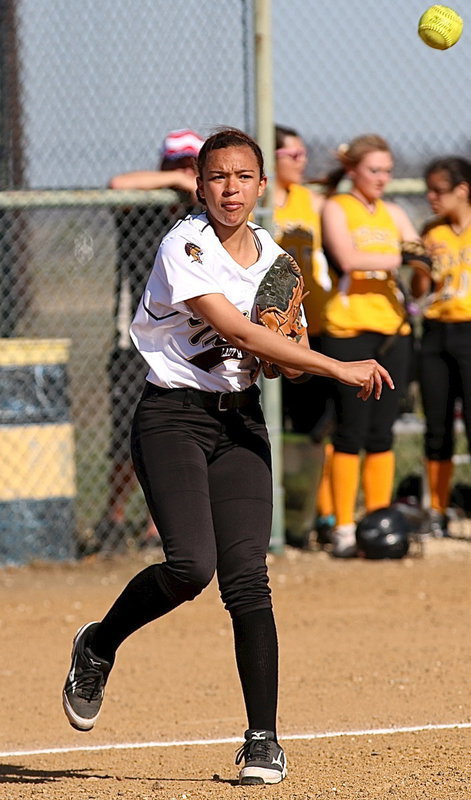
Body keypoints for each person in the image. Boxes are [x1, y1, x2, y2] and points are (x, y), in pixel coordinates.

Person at [62, 128, 393, 785]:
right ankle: (98, 644)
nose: (230, 189)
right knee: (191, 567)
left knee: (246, 577)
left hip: (239, 420)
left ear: (262, 186)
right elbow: (235, 328)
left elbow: (280, 353)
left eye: (243, 177)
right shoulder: (184, 245)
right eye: (216, 177)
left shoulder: (276, 259)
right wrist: (334, 366)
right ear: (199, 187)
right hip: (172, 418)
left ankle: (262, 739)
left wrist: (291, 357)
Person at [93, 129, 204, 552]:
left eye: (191, 165)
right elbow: (117, 184)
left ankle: (158, 527)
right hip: (134, 338)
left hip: (184, 341)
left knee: (174, 433)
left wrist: (191, 189)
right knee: (127, 431)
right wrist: (172, 181)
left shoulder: (200, 214)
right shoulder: (141, 204)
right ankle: (115, 516)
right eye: (176, 164)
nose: (184, 172)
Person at [321, 134, 422, 557]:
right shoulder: (336, 207)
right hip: (349, 331)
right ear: (353, 170)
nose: (383, 178)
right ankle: (343, 526)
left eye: (387, 170)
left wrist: (424, 258)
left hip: (393, 332)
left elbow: (419, 250)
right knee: (350, 430)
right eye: (374, 170)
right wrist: (404, 256)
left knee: (382, 432)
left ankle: (380, 521)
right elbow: (348, 259)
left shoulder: (393, 212)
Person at [273, 125, 336, 546]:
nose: (302, 161)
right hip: (264, 330)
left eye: (303, 154)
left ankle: (311, 518)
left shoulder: (309, 200)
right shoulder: (255, 202)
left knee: (313, 427)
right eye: (293, 155)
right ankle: (272, 518)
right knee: (270, 425)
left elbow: (336, 198)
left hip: (309, 326)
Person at [416, 156, 471, 536]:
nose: (431, 197)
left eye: (439, 191)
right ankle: (437, 510)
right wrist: (421, 266)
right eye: (429, 190)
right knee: (437, 426)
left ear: (462, 190)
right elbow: (420, 290)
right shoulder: (431, 231)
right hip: (436, 332)